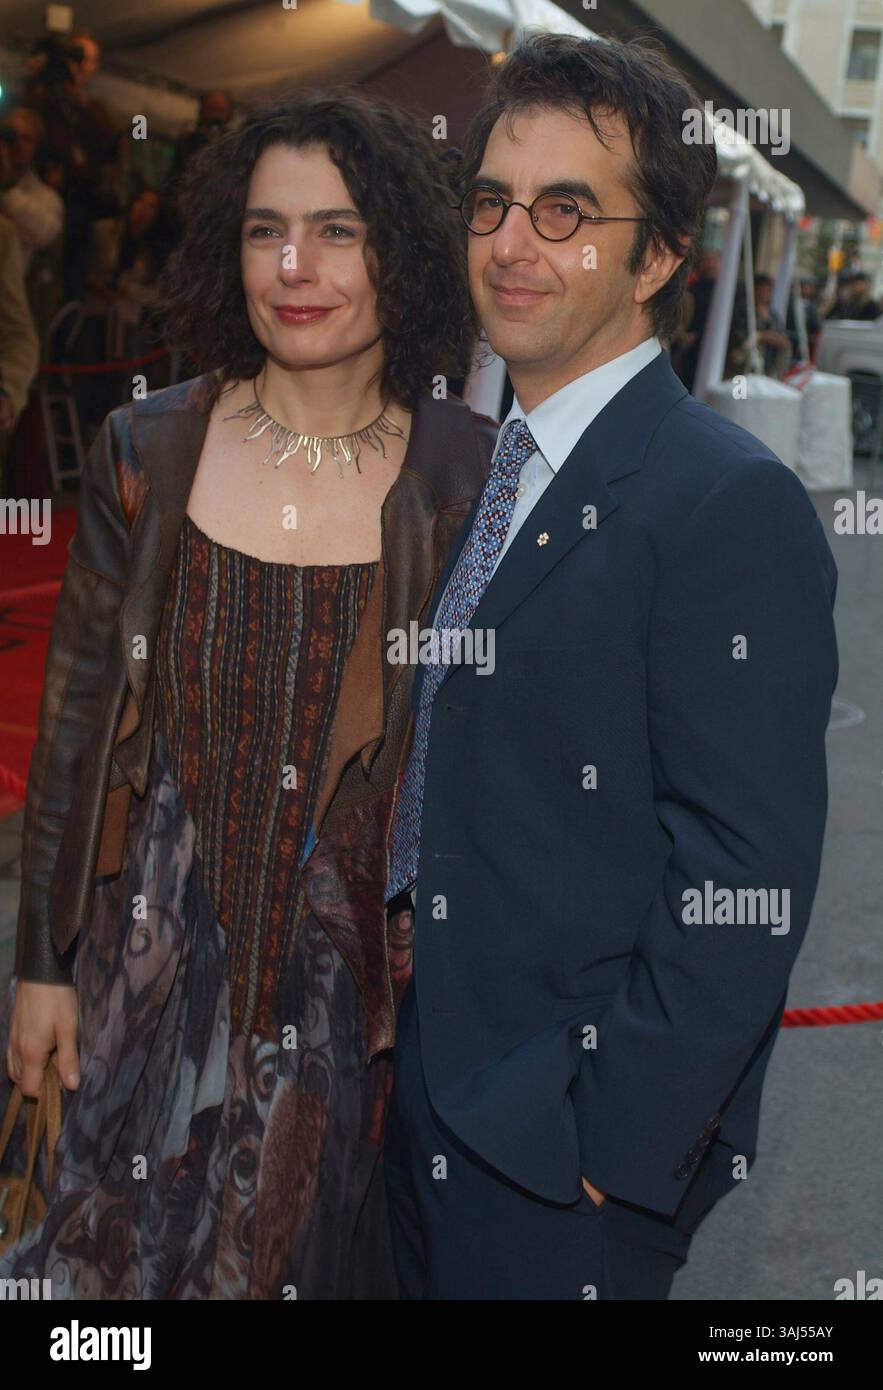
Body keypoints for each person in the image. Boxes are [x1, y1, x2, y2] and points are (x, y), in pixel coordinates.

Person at [0, 90, 496, 1299]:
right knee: (92, 1293)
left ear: (399, 251)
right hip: (136, 974)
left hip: (334, 1017)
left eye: (335, 231)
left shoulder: (462, 476)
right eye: (264, 229)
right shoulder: (149, 445)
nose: (294, 266)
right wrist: (41, 968)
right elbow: (71, 734)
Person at [383, 32, 838, 1301]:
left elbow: (743, 869)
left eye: (566, 211)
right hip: (420, 1092)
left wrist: (609, 1139)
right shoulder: (479, 466)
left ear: (656, 259)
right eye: (492, 202)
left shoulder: (724, 501)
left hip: (556, 1149)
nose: (511, 242)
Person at [0, 107, 64, 273]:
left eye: (26, 139)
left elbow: (44, 233)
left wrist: (7, 188)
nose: (17, 144)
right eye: (12, 136)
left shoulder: (46, 198)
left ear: (37, 147)